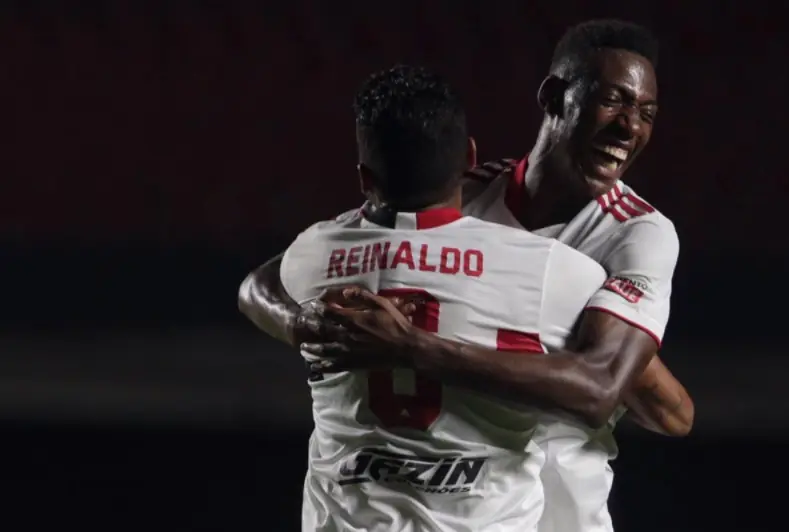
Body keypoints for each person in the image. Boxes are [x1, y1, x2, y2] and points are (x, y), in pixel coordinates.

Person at [240, 19, 694, 532]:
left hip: (567, 507)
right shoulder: (461, 192)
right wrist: (303, 322)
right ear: (554, 97)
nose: (630, 127)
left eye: (646, 113)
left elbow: (636, 398)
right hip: (450, 498)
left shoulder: (640, 233)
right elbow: (268, 281)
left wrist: (411, 347)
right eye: (612, 101)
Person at [284, 64, 609, 531]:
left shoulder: (311, 255)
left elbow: (258, 286)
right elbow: (646, 396)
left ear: (365, 178)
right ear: (470, 157)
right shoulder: (552, 271)